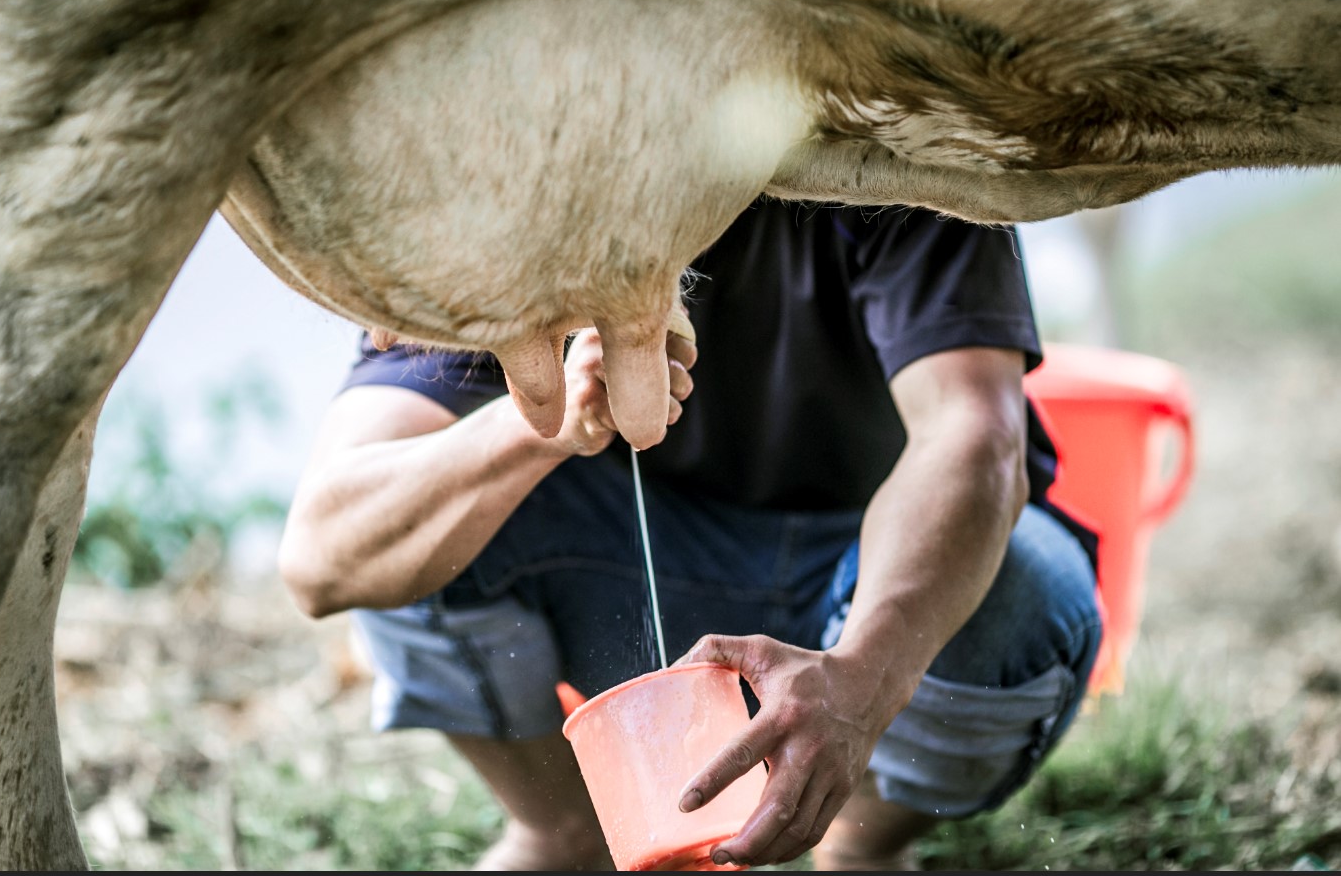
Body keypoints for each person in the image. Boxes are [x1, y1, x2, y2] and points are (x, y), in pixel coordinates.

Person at [278, 199, 1103, 871]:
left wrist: (861, 683)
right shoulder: (505, 206)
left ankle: (859, 838)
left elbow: (977, 438)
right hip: (651, 596)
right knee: (414, 530)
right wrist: (544, 427)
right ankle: (571, 831)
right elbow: (325, 554)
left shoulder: (894, 148)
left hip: (874, 587)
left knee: (1024, 588)